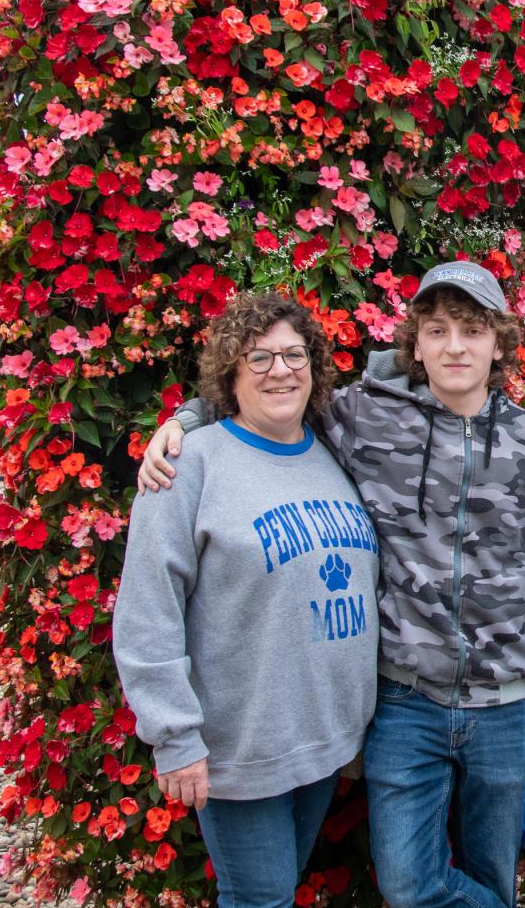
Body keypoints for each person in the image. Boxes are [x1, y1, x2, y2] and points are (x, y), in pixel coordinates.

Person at [138, 261, 525, 908]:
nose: (455, 346)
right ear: (415, 343)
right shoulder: (368, 419)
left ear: (501, 341)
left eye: (473, 330)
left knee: (490, 872)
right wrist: (187, 417)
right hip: (406, 703)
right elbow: (260, 398)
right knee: (405, 883)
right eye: (439, 329)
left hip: (503, 704)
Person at [113, 292, 381, 908]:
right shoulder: (189, 467)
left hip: (325, 741)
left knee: (275, 893)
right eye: (258, 358)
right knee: (260, 900)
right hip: (241, 748)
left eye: (294, 354)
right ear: (230, 374)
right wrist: (175, 736)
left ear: (314, 366)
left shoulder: (332, 454)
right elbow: (148, 610)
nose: (280, 370)